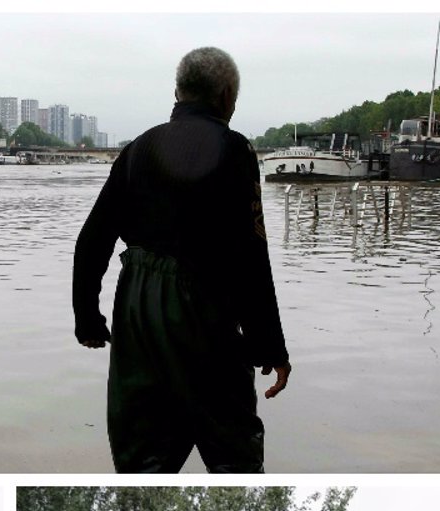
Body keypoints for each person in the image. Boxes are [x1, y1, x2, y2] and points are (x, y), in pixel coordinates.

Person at [72, 46, 291, 473]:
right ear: (227, 95)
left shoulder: (138, 150)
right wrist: (271, 346)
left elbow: (92, 240)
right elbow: (250, 258)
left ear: (178, 92)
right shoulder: (236, 151)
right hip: (201, 309)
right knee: (233, 454)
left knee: (143, 455)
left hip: (135, 311)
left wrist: (88, 319)